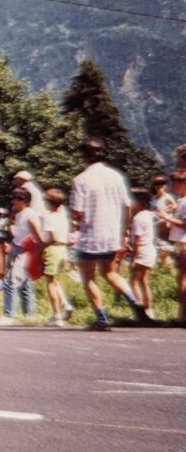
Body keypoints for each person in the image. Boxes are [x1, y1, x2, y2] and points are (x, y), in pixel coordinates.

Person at [70, 138, 151, 330]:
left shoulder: (80, 179)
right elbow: (127, 206)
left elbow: (78, 212)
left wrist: (76, 221)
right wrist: (124, 232)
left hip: (90, 235)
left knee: (88, 277)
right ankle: (134, 301)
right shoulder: (116, 176)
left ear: (84, 156)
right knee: (110, 272)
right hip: (112, 233)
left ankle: (102, 317)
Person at [0, 187, 41, 326]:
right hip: (17, 248)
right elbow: (15, 230)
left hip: (26, 251)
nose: (12, 202)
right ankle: (29, 315)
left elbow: (39, 236)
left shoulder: (30, 215)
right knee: (24, 285)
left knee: (10, 283)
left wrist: (38, 251)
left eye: (15, 199)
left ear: (23, 201)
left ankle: (9, 315)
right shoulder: (20, 214)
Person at [40, 188, 74, 326]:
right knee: (54, 280)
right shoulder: (62, 215)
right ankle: (65, 304)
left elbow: (53, 237)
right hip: (64, 249)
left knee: (50, 283)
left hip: (53, 248)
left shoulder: (49, 216)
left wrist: (42, 246)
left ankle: (57, 316)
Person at [156, 171, 186, 324]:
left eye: (177, 182)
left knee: (183, 278)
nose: (174, 186)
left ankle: (183, 317)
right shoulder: (181, 201)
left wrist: (166, 217)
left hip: (183, 242)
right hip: (180, 241)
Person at [130, 187, 158, 321]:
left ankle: (140, 311)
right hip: (150, 249)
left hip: (142, 251)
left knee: (135, 281)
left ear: (139, 201)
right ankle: (149, 309)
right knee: (145, 282)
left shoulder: (137, 218)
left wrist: (134, 258)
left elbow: (138, 241)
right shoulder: (148, 214)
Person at [152, 175, 177, 267]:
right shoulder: (154, 198)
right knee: (159, 247)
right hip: (155, 225)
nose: (159, 186)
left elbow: (175, 206)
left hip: (164, 226)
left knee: (165, 248)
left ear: (165, 186)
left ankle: (168, 266)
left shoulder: (167, 197)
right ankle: (164, 267)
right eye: (157, 184)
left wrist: (171, 208)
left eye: (162, 184)